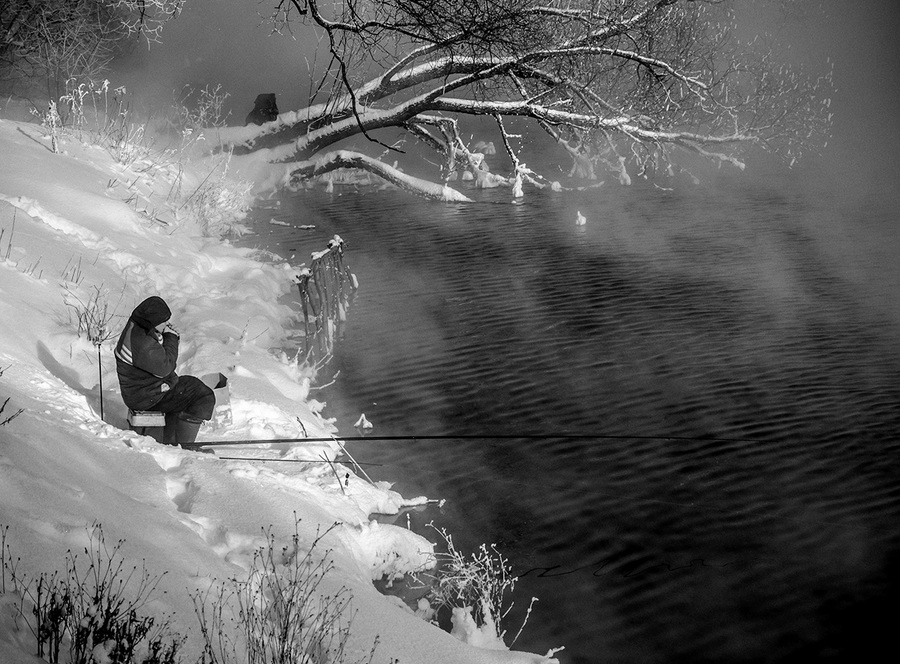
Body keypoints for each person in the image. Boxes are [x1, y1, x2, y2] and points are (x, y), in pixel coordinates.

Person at [115, 296, 215, 444]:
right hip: (147, 398)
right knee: (203, 396)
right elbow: (166, 367)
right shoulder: (142, 344)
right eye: (163, 322)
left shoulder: (136, 327)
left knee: (189, 385)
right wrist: (171, 337)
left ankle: (171, 434)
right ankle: (184, 445)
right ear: (152, 322)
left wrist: (163, 335)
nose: (166, 324)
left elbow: (154, 356)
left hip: (141, 392)